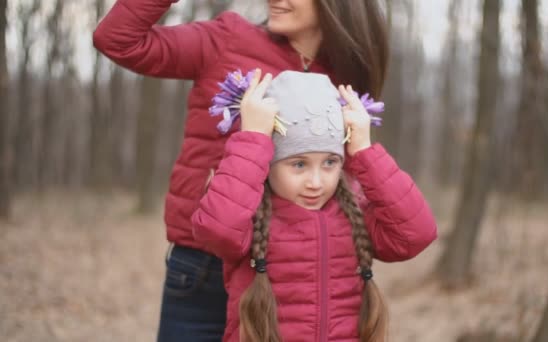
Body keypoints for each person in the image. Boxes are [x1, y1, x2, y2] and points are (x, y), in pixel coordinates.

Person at [93, 1, 389, 340]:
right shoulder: (229, 39)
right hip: (203, 269)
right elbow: (117, 40)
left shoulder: (347, 77)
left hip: (290, 281)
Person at [191, 70, 437, 342]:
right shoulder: (250, 217)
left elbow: (417, 234)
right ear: (268, 161)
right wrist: (252, 139)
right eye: (299, 164)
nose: (316, 182)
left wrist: (365, 152)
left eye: (330, 162)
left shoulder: (353, 214)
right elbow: (217, 231)